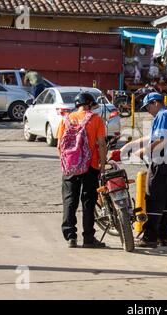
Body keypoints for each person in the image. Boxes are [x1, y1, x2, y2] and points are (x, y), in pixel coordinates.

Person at [120, 92, 167, 248]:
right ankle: (163, 237)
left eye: (147, 107)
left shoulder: (162, 115)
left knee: (153, 199)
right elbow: (152, 137)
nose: (148, 111)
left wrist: (144, 151)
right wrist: (130, 146)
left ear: (155, 103)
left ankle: (150, 237)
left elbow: (160, 139)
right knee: (166, 201)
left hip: (162, 162)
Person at [57, 92, 107, 248]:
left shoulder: (66, 119)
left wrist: (67, 162)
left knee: (69, 201)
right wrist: (102, 164)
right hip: (90, 166)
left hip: (70, 168)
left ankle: (71, 237)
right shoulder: (96, 119)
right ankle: (88, 239)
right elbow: (101, 144)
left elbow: (59, 145)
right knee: (88, 202)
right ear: (90, 104)